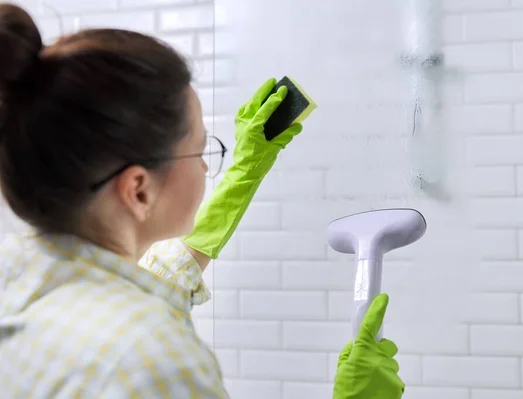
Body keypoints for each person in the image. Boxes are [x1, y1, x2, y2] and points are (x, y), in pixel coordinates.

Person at [0, 3, 405, 398]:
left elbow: (162, 278)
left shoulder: (16, 282)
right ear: (138, 190)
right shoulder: (152, 359)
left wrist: (247, 169)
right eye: (199, 151)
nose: (206, 168)